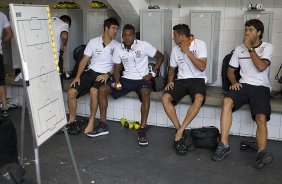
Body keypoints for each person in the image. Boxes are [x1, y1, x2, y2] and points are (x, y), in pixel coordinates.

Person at [211, 19, 273, 169]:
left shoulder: (267, 47)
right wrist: (234, 82)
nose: (246, 33)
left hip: (261, 87)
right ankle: (224, 144)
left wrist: (250, 49)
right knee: (226, 101)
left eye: (250, 30)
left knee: (261, 117)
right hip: (243, 85)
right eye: (245, 30)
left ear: (259, 33)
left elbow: (261, 67)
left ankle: (261, 152)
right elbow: (230, 71)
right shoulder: (239, 49)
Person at [94, 24, 164, 145]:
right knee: (102, 89)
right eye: (125, 35)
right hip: (126, 79)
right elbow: (116, 68)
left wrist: (152, 74)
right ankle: (103, 124)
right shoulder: (118, 48)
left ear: (134, 35)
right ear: (122, 36)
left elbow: (161, 57)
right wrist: (116, 82)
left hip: (142, 79)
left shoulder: (143, 45)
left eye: (130, 35)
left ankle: (142, 129)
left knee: (146, 93)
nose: (127, 38)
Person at [66, 17, 120, 135]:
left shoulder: (117, 45)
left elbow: (118, 66)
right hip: (91, 72)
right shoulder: (93, 42)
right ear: (106, 28)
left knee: (94, 91)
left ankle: (91, 121)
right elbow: (84, 60)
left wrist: (108, 74)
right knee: (71, 92)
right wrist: (77, 76)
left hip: (105, 74)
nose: (115, 31)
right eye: (113, 28)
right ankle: (71, 122)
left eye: (117, 29)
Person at [161, 24, 207, 155]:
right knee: (165, 98)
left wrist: (188, 52)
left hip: (198, 80)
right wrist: (170, 81)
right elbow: (172, 69)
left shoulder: (200, 44)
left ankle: (179, 133)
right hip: (181, 81)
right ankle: (180, 130)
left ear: (181, 36)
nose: (173, 38)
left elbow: (202, 67)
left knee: (199, 98)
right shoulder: (175, 49)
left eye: (174, 35)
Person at [52, 15, 71, 86]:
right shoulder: (64, 24)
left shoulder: (48, 21)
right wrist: (64, 44)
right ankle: (59, 94)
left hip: (44, 53)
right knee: (58, 76)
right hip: (56, 55)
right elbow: (64, 35)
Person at [0, 12, 13, 117]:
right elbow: (10, 34)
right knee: (1, 82)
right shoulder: (2, 15)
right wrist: (1, 41)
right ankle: (5, 108)